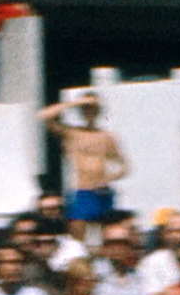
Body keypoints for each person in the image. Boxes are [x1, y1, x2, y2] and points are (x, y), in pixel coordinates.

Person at [43, 88, 129, 241]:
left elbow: (125, 166)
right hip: (81, 190)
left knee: (106, 239)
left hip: (101, 192)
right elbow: (45, 116)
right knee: (77, 240)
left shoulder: (106, 136)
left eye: (93, 108)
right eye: (86, 108)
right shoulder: (72, 133)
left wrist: (108, 178)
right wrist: (77, 102)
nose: (89, 111)